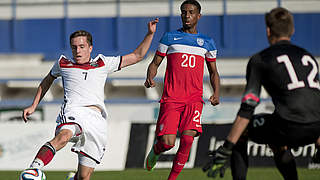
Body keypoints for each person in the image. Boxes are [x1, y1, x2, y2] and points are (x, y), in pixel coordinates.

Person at [22, 18, 159, 180]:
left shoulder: (103, 63)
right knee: (64, 135)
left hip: (96, 121)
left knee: (84, 177)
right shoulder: (63, 63)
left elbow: (137, 56)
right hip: (74, 111)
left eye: (82, 47)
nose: (77, 51)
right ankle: (34, 169)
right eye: (74, 47)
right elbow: (47, 81)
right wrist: (33, 105)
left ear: (90, 47)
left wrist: (150, 34)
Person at [202, 7, 320, 180]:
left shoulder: (260, 59)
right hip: (316, 126)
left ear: (268, 31)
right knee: (277, 141)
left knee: (242, 132)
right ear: (292, 30)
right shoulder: (307, 56)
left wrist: (227, 146)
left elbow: (247, 109)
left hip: (289, 125)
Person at [144, 0, 220, 179]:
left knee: (187, 139)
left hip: (194, 99)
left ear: (198, 16)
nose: (187, 16)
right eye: (184, 12)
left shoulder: (207, 43)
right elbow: (155, 63)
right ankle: (156, 150)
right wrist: (150, 77)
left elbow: (214, 72)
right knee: (168, 143)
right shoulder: (169, 37)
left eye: (191, 12)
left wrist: (216, 93)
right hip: (171, 98)